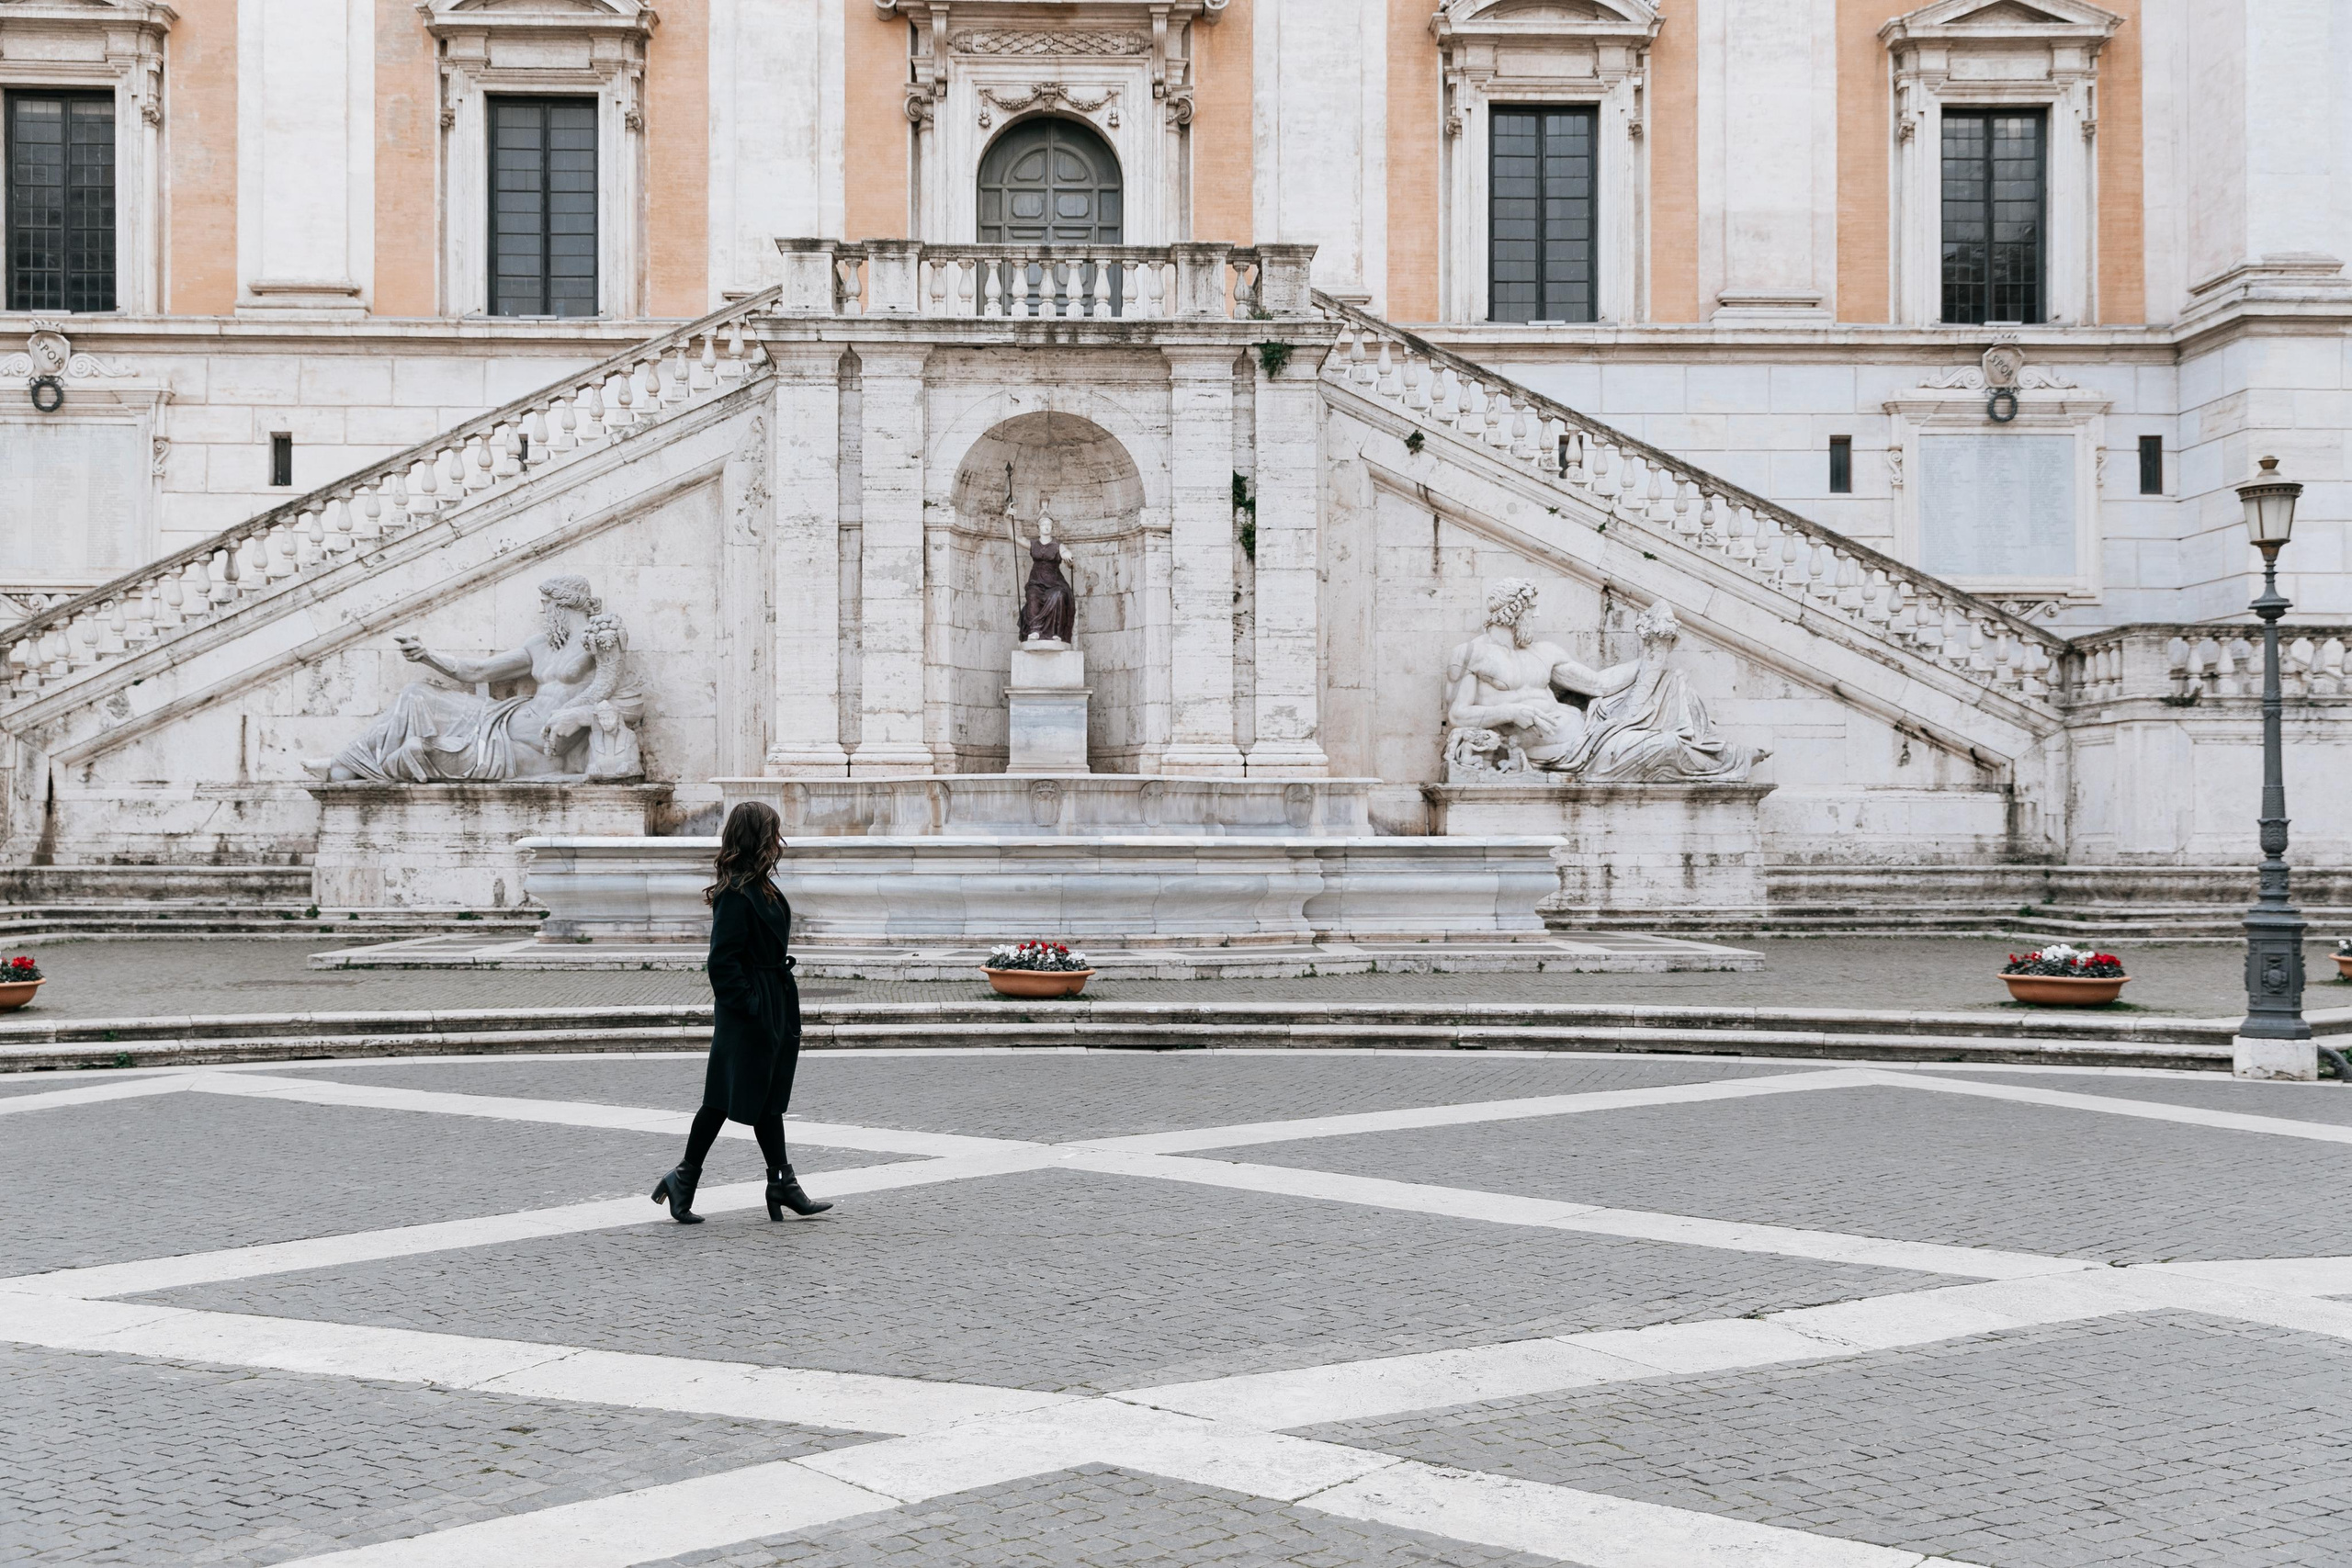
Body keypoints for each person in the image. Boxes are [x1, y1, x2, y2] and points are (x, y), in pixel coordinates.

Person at [650, 800, 832, 1224]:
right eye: (772, 832)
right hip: (750, 1010)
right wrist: (751, 1007)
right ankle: (686, 1177)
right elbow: (721, 962)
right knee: (722, 1099)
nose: (778, 840)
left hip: (771, 1000)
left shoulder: (760, 885)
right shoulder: (736, 892)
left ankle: (780, 1183)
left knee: (766, 1099)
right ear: (757, 837)